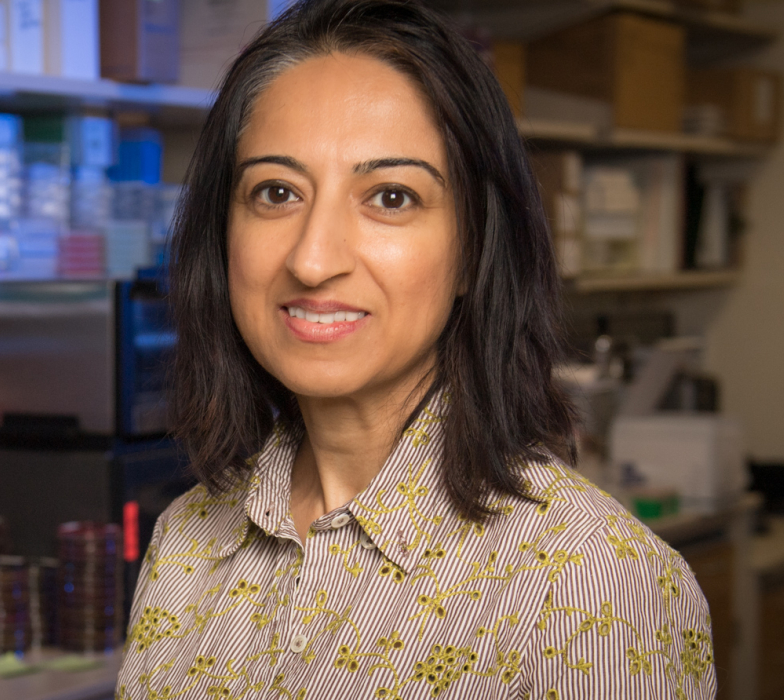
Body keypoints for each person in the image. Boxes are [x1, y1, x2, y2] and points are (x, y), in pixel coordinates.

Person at [119, 1, 716, 698]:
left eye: (391, 197)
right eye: (276, 192)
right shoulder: (186, 542)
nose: (313, 260)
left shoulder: (595, 586)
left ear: (474, 252)